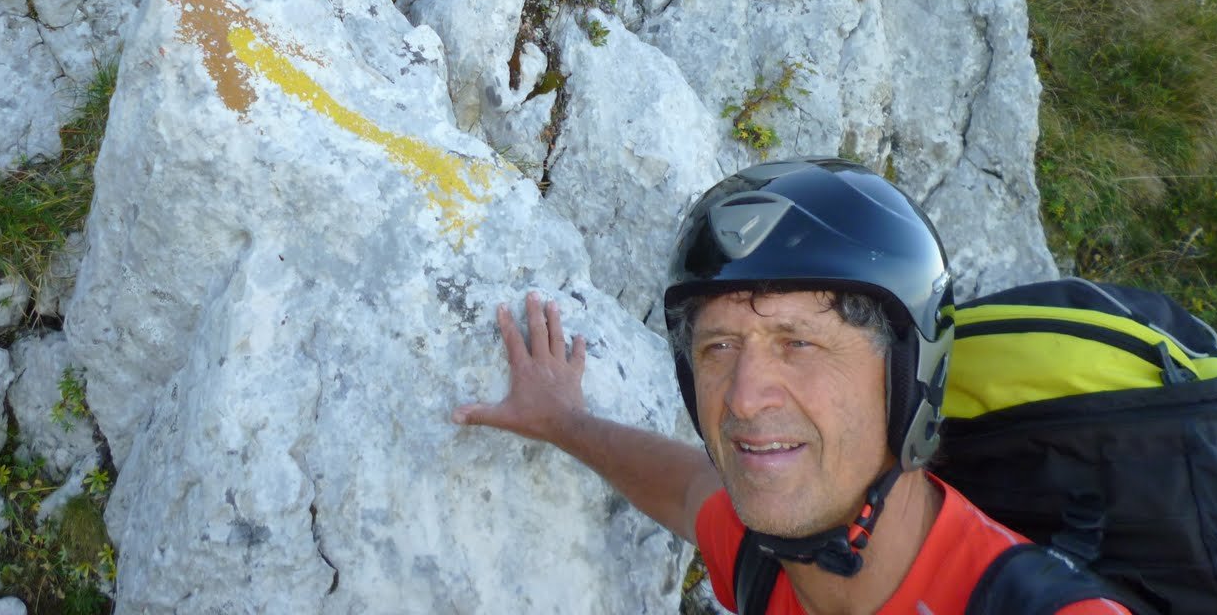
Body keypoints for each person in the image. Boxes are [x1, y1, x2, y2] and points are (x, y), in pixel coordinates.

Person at [452, 157, 1133, 615]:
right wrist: (563, 421)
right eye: (718, 347)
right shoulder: (763, 560)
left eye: (798, 343)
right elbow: (687, 490)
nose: (745, 397)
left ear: (910, 381)